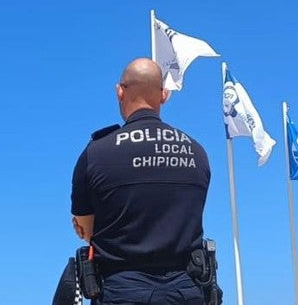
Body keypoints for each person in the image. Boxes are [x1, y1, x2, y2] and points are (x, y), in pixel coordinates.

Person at [70, 58, 212, 305]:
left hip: (121, 290)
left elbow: (85, 228)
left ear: (120, 91)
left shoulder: (97, 152)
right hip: (186, 290)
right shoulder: (196, 152)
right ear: (165, 95)